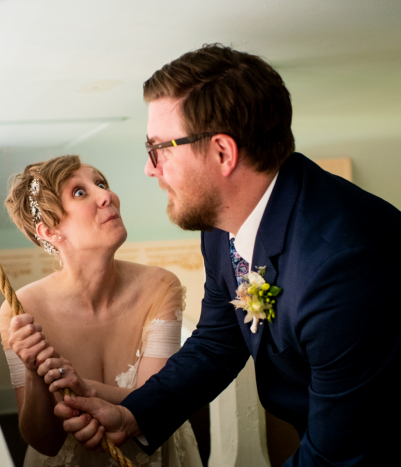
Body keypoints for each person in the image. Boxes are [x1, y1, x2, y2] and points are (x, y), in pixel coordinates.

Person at [55, 44, 401, 466]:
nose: (150, 169)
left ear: (222, 152)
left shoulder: (343, 268)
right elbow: (219, 341)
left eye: (158, 149)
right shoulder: (224, 221)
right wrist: (133, 415)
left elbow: (337, 457)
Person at [0, 155, 202, 466]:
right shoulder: (20, 310)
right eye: (80, 192)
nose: (107, 196)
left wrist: (87, 388)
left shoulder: (160, 287)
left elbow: (157, 402)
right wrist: (33, 374)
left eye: (101, 184)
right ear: (50, 231)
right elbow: (45, 443)